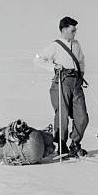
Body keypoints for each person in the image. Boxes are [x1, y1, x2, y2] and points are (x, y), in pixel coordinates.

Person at [34, 16, 89, 158]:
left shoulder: (76, 44)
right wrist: (54, 66)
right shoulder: (55, 45)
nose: (75, 33)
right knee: (62, 115)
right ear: (64, 29)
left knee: (82, 116)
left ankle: (75, 143)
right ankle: (61, 144)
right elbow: (37, 59)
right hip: (61, 81)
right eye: (72, 30)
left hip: (76, 82)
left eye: (75, 30)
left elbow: (81, 60)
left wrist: (81, 74)